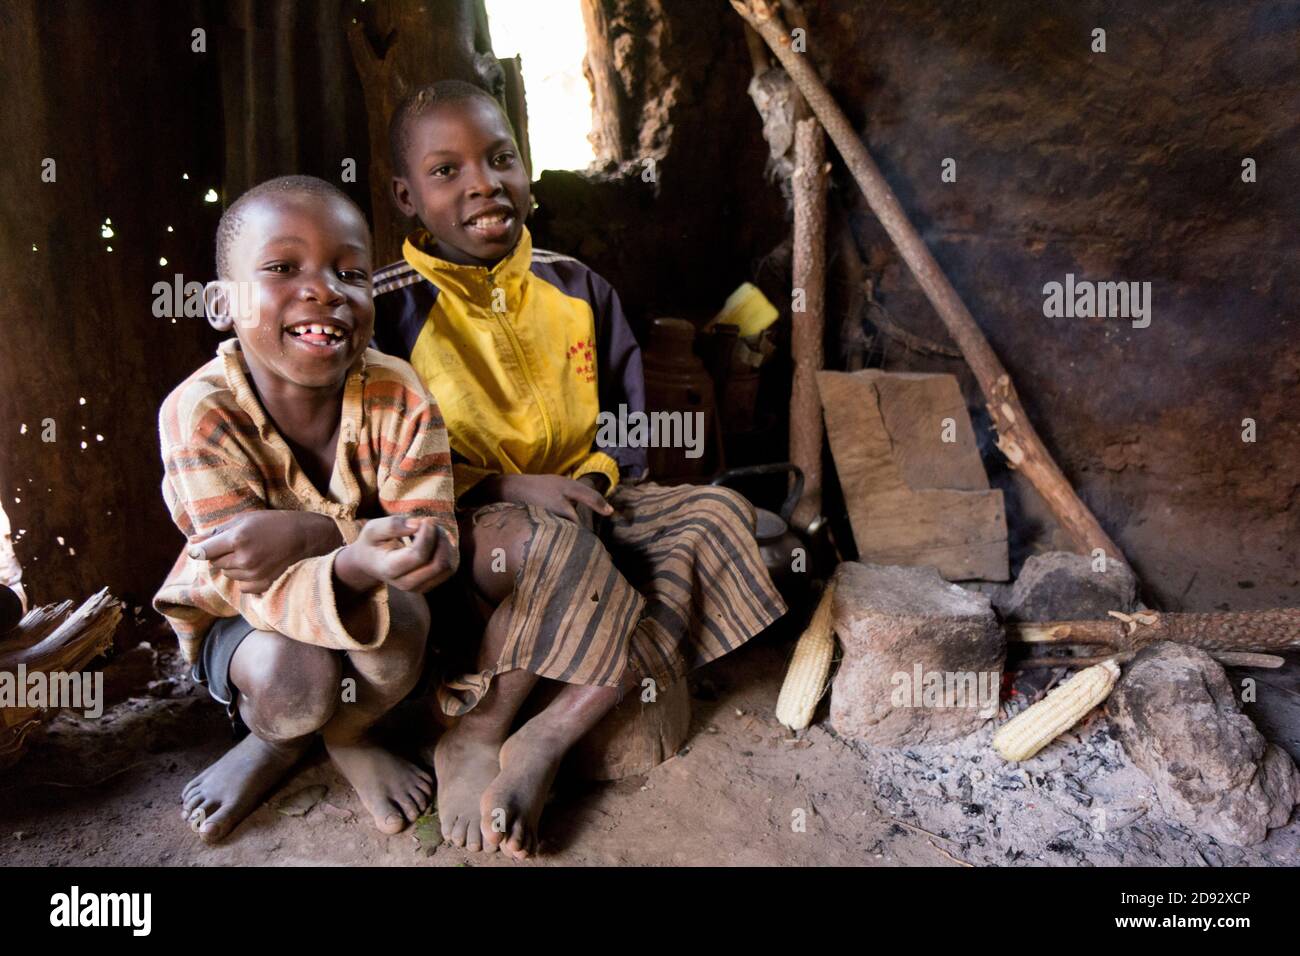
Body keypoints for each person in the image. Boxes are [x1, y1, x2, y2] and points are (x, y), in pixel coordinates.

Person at [372, 81, 787, 859]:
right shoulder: (386, 312)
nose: (482, 184)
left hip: (587, 505)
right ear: (404, 195)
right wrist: (503, 488)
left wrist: (594, 484)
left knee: (718, 517)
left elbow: (625, 432)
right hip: (475, 536)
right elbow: (377, 466)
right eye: (446, 171)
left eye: (501, 159)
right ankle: (481, 728)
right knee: (566, 552)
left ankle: (549, 737)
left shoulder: (577, 286)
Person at [153, 175, 458, 843]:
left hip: (368, 602)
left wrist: (321, 535)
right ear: (220, 304)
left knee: (404, 618)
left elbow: (433, 536)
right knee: (296, 676)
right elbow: (247, 584)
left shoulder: (399, 393)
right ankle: (277, 741)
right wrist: (351, 554)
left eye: (350, 272)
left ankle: (350, 733)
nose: (323, 288)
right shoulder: (198, 414)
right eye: (283, 267)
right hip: (244, 617)